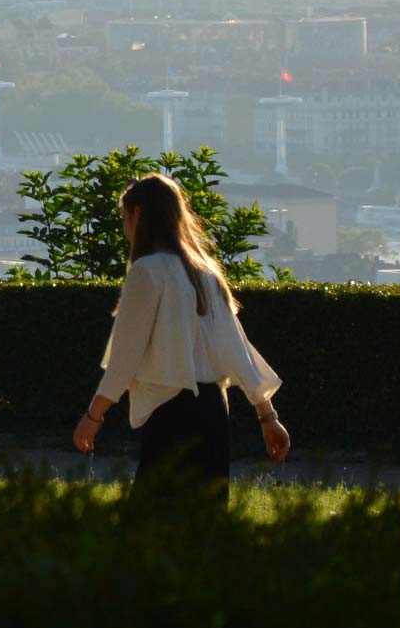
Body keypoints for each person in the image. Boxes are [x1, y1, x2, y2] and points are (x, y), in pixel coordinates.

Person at [72, 172, 289, 503]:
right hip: (214, 412)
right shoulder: (206, 274)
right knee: (204, 532)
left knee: (152, 530)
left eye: (125, 216)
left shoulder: (147, 272)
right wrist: (267, 416)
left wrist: (93, 417)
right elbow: (237, 349)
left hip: (170, 415)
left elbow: (124, 359)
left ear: (138, 215)